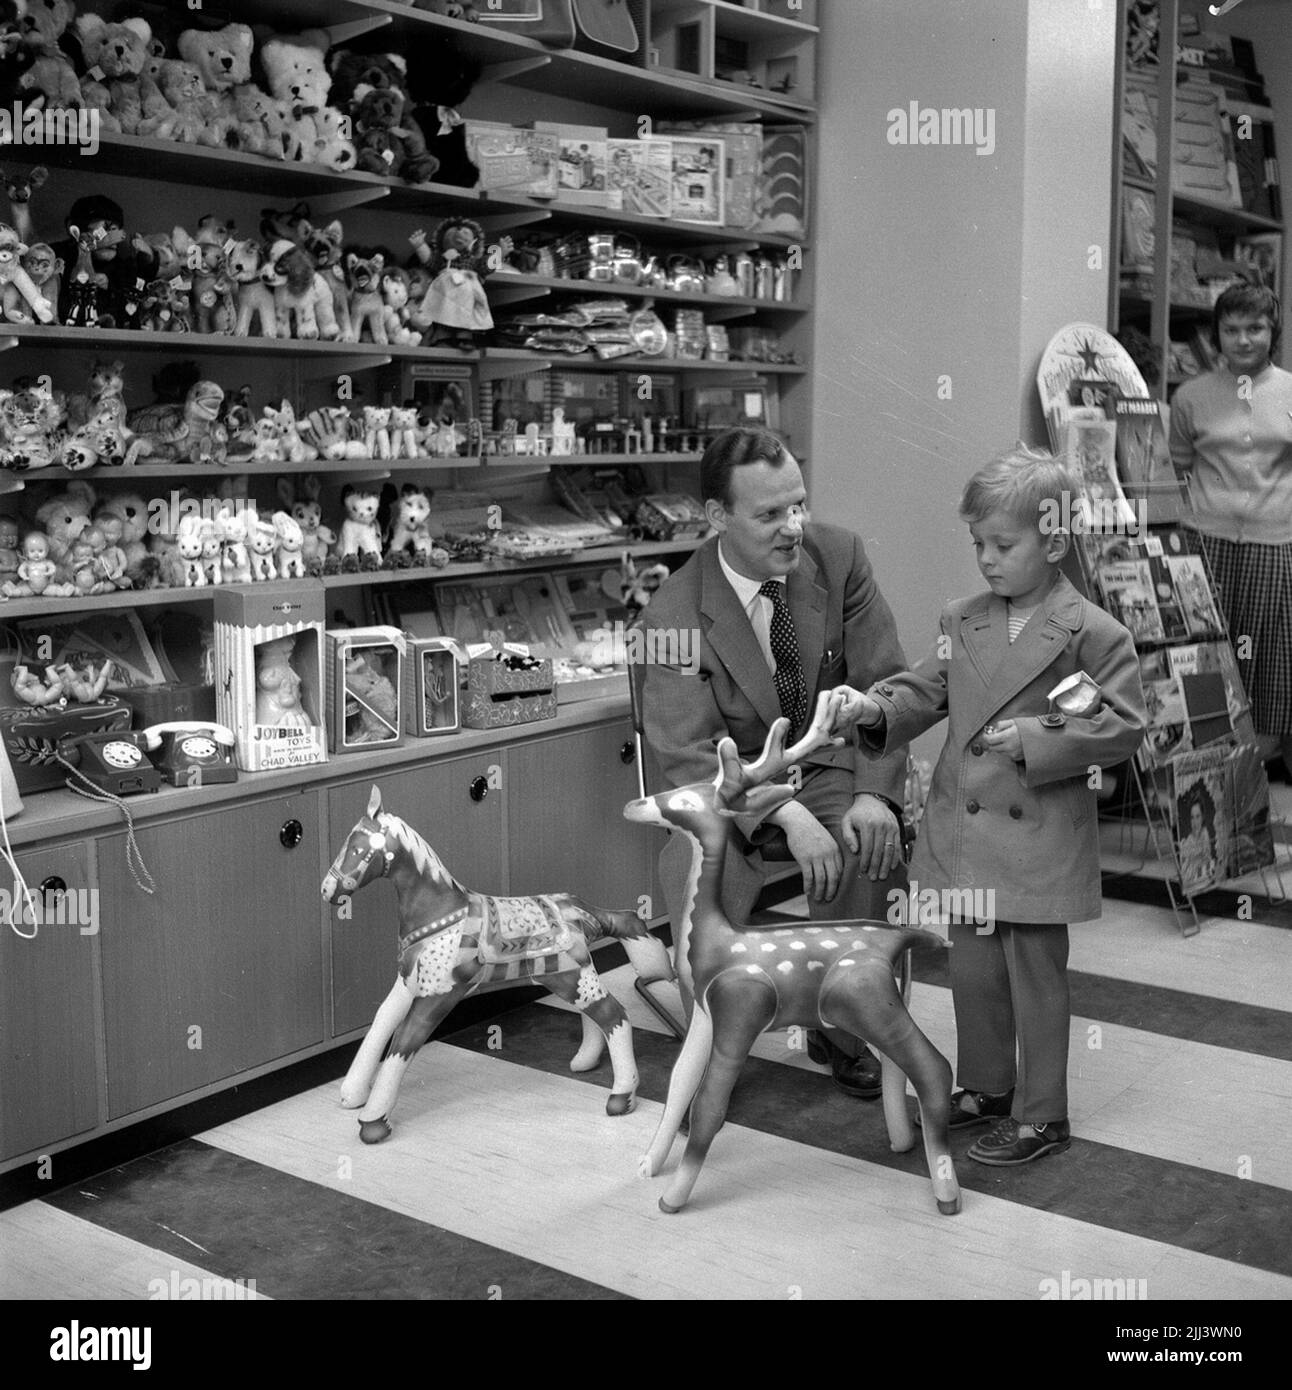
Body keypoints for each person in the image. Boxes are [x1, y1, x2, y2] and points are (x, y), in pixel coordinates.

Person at [833, 446, 1147, 1164]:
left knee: (1036, 979)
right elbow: (923, 691)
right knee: (974, 971)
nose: (987, 559)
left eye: (1003, 545)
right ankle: (986, 1085)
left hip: (1038, 838)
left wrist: (1037, 736)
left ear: (1056, 541)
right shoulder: (961, 617)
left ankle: (1043, 1115)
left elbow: (1124, 725)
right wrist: (872, 707)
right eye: (978, 543)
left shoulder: (1092, 631)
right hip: (966, 835)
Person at [640, 426, 911, 1098]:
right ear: (717, 518)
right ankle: (714, 1027)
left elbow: (886, 688)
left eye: (798, 505)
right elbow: (685, 758)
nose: (793, 527)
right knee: (696, 868)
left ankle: (846, 1028)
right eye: (769, 514)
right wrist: (784, 814)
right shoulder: (671, 614)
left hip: (827, 766)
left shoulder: (839, 556)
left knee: (868, 841)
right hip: (730, 790)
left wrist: (876, 795)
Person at [1169, 284, 1292, 776]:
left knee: (1265, 653)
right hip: (1203, 542)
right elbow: (1175, 471)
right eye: (1232, 329)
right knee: (1203, 651)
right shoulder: (1191, 396)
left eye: (1255, 329)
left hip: (1274, 543)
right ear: (1216, 334)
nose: (1243, 340)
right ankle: (1203, 765)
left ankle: (1253, 767)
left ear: (1272, 332)